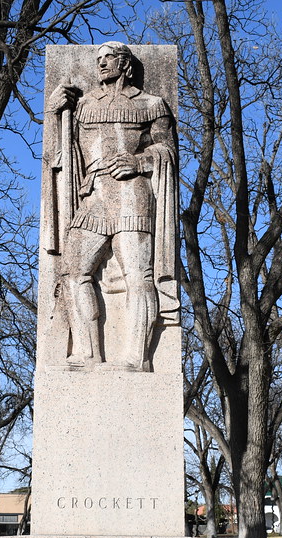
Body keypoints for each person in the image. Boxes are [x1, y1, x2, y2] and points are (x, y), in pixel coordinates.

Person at [47, 42, 178, 371]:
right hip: (93, 193)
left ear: (126, 63)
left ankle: (137, 358)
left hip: (132, 193)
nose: (102, 64)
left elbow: (168, 151)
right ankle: (87, 353)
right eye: (99, 60)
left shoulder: (151, 103)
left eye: (109, 58)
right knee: (73, 272)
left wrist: (139, 160)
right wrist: (54, 112)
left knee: (138, 275)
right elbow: (61, 154)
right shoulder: (84, 105)